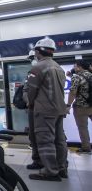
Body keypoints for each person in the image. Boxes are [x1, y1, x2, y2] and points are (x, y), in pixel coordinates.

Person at [26, 38, 68, 181]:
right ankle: (62, 169)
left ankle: (50, 171)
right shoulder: (58, 67)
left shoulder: (38, 68)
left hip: (44, 110)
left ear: (37, 52)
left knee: (45, 141)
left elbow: (31, 91)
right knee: (59, 140)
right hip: (59, 109)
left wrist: (30, 104)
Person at [67, 60, 92, 154]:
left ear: (79, 67)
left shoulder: (77, 77)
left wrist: (68, 105)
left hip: (81, 107)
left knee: (83, 128)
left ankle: (86, 148)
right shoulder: (90, 75)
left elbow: (73, 92)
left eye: (75, 66)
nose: (74, 68)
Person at [24, 50, 42, 169]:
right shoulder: (56, 69)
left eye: (32, 58)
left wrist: (29, 103)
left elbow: (29, 90)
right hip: (50, 109)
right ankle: (59, 164)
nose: (32, 61)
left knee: (37, 136)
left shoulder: (35, 71)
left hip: (36, 108)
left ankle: (39, 161)